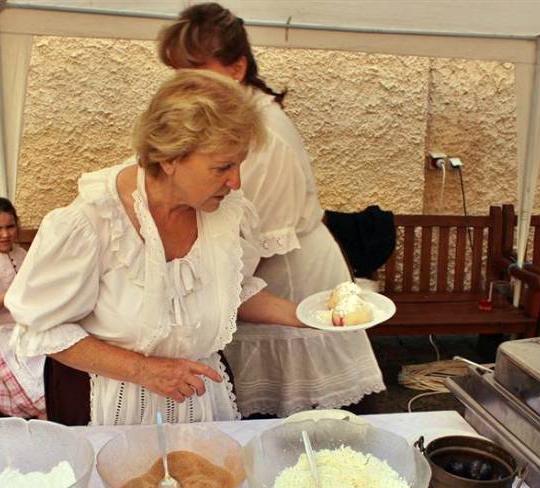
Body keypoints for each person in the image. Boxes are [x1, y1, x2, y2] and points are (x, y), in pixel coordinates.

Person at [4, 70, 305, 426]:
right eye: (222, 166)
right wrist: (145, 370)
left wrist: (312, 315)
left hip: (199, 404)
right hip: (110, 409)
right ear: (170, 159)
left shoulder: (226, 214)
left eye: (240, 164)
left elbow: (228, 290)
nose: (236, 181)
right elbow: (42, 329)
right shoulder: (90, 223)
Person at [158, 3, 385, 417]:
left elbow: (246, 242)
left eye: (194, 71)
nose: (182, 86)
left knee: (300, 420)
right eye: (177, 73)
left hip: (288, 278)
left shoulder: (263, 133)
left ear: (237, 68)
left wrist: (196, 290)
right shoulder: (228, 120)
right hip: (259, 280)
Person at [0, 196, 46, 419]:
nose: (5, 234)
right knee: (20, 377)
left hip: (25, 329)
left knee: (46, 364)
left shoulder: (22, 254)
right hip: (0, 334)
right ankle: (43, 415)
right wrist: (12, 295)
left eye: (10, 226)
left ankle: (51, 410)